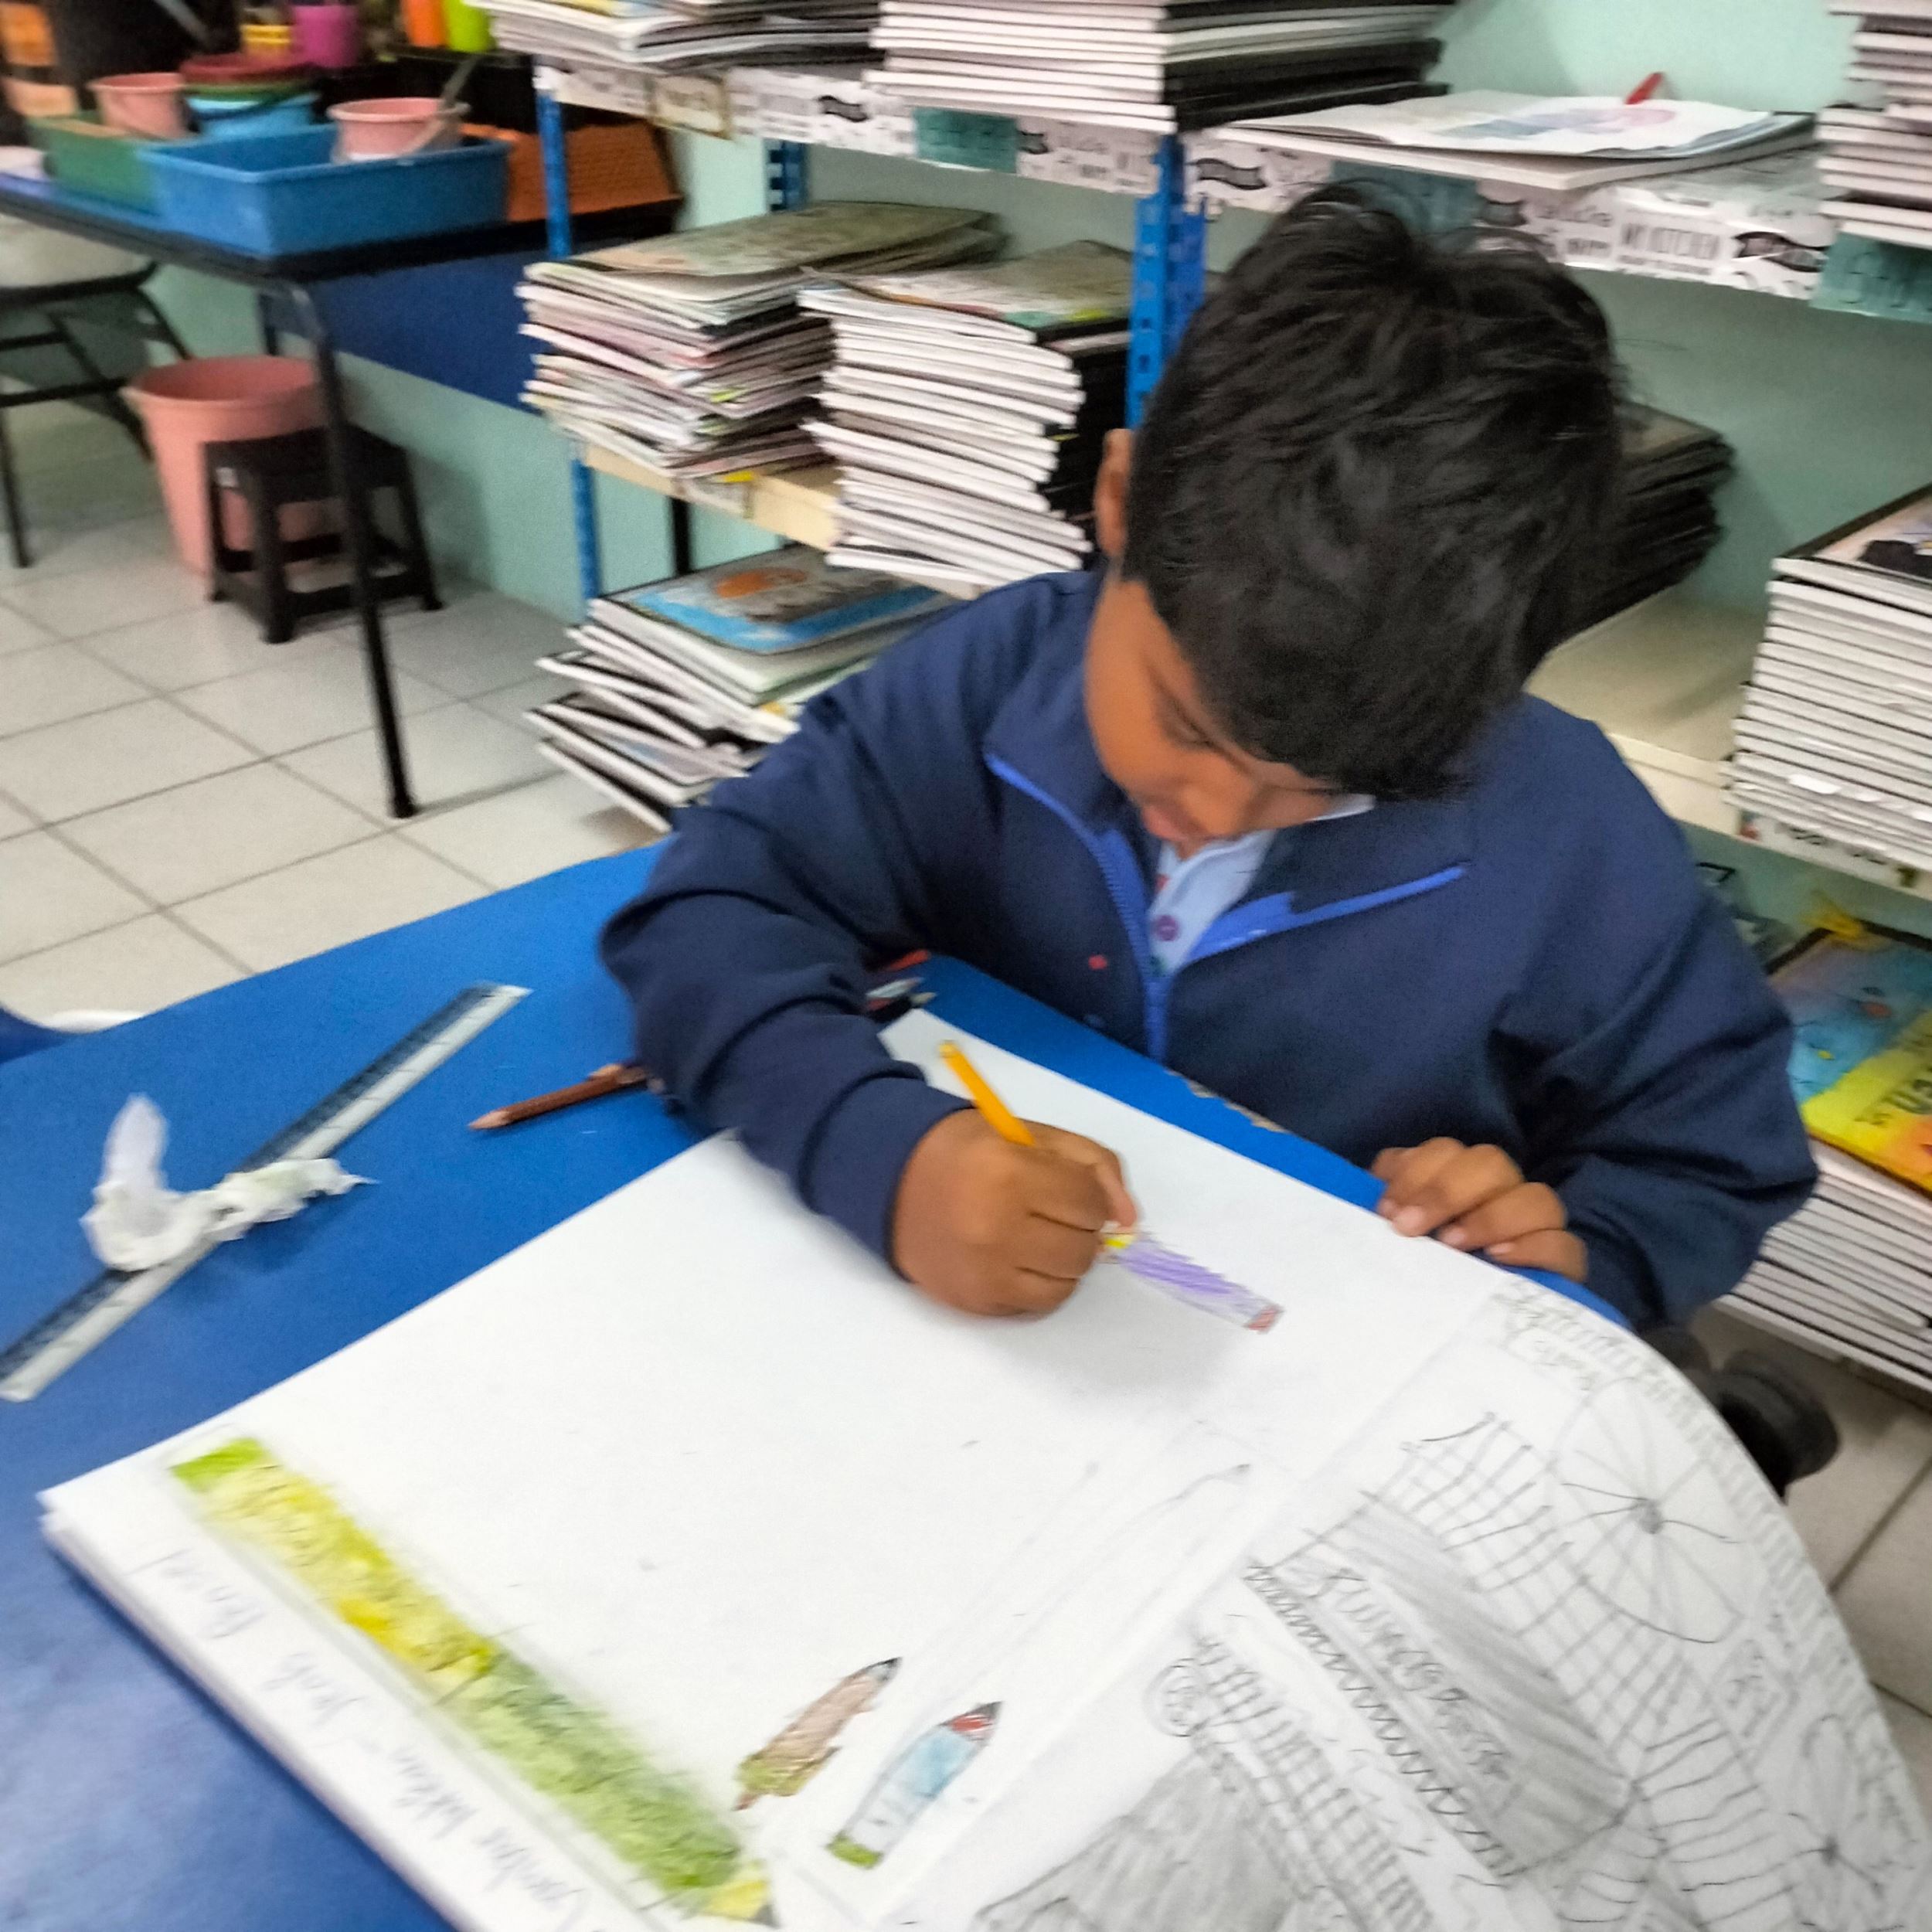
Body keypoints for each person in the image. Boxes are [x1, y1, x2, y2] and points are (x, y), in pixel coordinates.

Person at [601, 188, 1815, 1345]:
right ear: (1120, 503)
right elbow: (714, 904)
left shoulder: (1567, 829)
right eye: (1185, 727)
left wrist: (1579, 1249)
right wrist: (875, 1144)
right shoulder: (988, 682)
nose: (1220, 813)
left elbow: (1712, 1156)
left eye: (1327, 786)